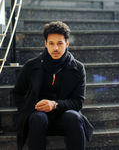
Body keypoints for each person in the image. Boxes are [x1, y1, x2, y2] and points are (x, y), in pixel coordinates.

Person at [14, 21, 93, 150]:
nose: (55, 48)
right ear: (45, 44)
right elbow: (17, 93)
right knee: (37, 118)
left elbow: (78, 102)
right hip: (39, 116)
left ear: (67, 44)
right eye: (51, 43)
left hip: (65, 115)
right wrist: (29, 108)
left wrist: (55, 104)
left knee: (73, 116)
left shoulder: (77, 68)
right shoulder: (31, 66)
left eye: (60, 43)